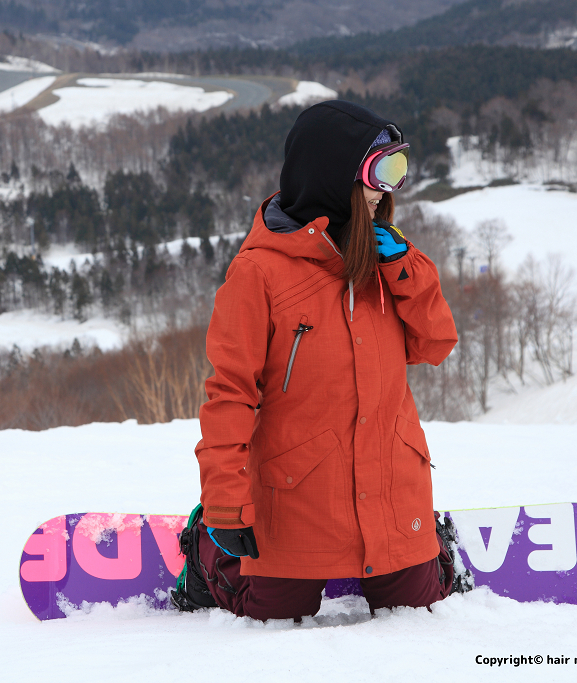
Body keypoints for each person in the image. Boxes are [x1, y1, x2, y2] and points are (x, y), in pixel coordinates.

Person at [172, 99, 460, 621]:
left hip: (391, 484)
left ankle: (433, 542)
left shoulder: (385, 259)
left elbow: (435, 344)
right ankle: (204, 552)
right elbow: (230, 394)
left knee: (415, 610)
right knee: (271, 616)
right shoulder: (258, 274)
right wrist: (226, 500)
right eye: (379, 172)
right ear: (333, 175)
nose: (386, 190)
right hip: (297, 495)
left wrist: (406, 268)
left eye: (396, 169)